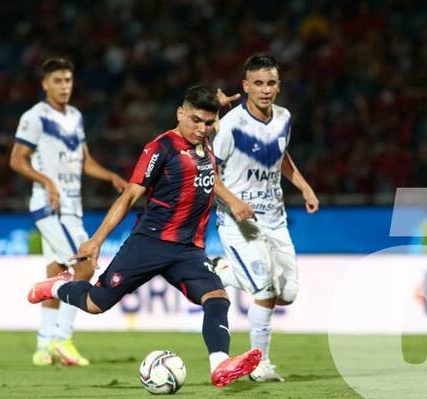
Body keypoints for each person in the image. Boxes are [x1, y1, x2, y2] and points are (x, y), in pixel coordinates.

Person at [27, 85, 262, 387]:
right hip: (149, 243)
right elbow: (128, 197)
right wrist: (96, 240)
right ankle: (60, 287)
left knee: (217, 298)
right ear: (180, 114)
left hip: (188, 249)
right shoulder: (160, 148)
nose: (202, 129)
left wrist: (232, 200)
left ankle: (220, 365)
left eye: (208, 122)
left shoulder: (204, 139)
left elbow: (206, 169)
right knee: (96, 303)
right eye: (195, 121)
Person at [10, 57, 127, 367]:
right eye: (58, 81)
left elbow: (84, 161)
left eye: (68, 81)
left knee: (57, 275)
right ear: (45, 84)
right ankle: (64, 339)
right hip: (51, 208)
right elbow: (17, 160)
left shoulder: (75, 116)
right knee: (85, 263)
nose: (64, 87)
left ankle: (44, 346)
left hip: (72, 208)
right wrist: (46, 180)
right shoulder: (35, 117)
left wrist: (110, 176)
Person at [211, 52, 319, 382]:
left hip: (276, 219)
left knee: (288, 295)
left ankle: (221, 270)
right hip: (238, 221)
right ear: (245, 87)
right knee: (265, 291)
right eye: (258, 83)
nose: (265, 90)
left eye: (271, 83)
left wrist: (304, 186)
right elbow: (207, 173)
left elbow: (280, 155)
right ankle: (260, 365)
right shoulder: (230, 126)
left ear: (279, 86)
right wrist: (234, 202)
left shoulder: (284, 117)